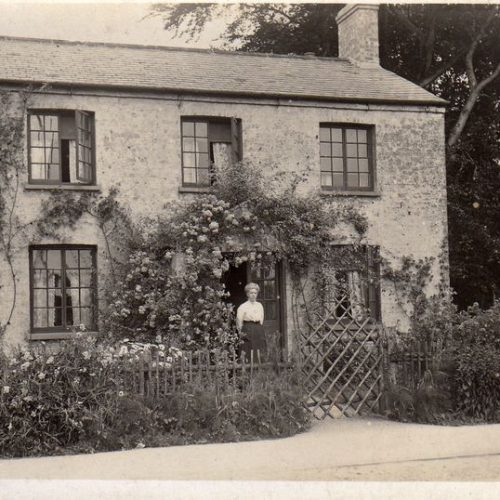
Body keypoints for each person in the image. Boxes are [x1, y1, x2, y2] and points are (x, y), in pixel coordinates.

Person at [236, 282, 266, 361]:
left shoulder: (259, 305)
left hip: (258, 329)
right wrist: (243, 332)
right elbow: (239, 322)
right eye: (251, 293)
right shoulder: (243, 306)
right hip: (247, 329)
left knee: (259, 348)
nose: (253, 295)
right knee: (248, 349)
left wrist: (257, 327)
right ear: (247, 294)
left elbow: (261, 319)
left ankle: (260, 367)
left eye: (255, 293)